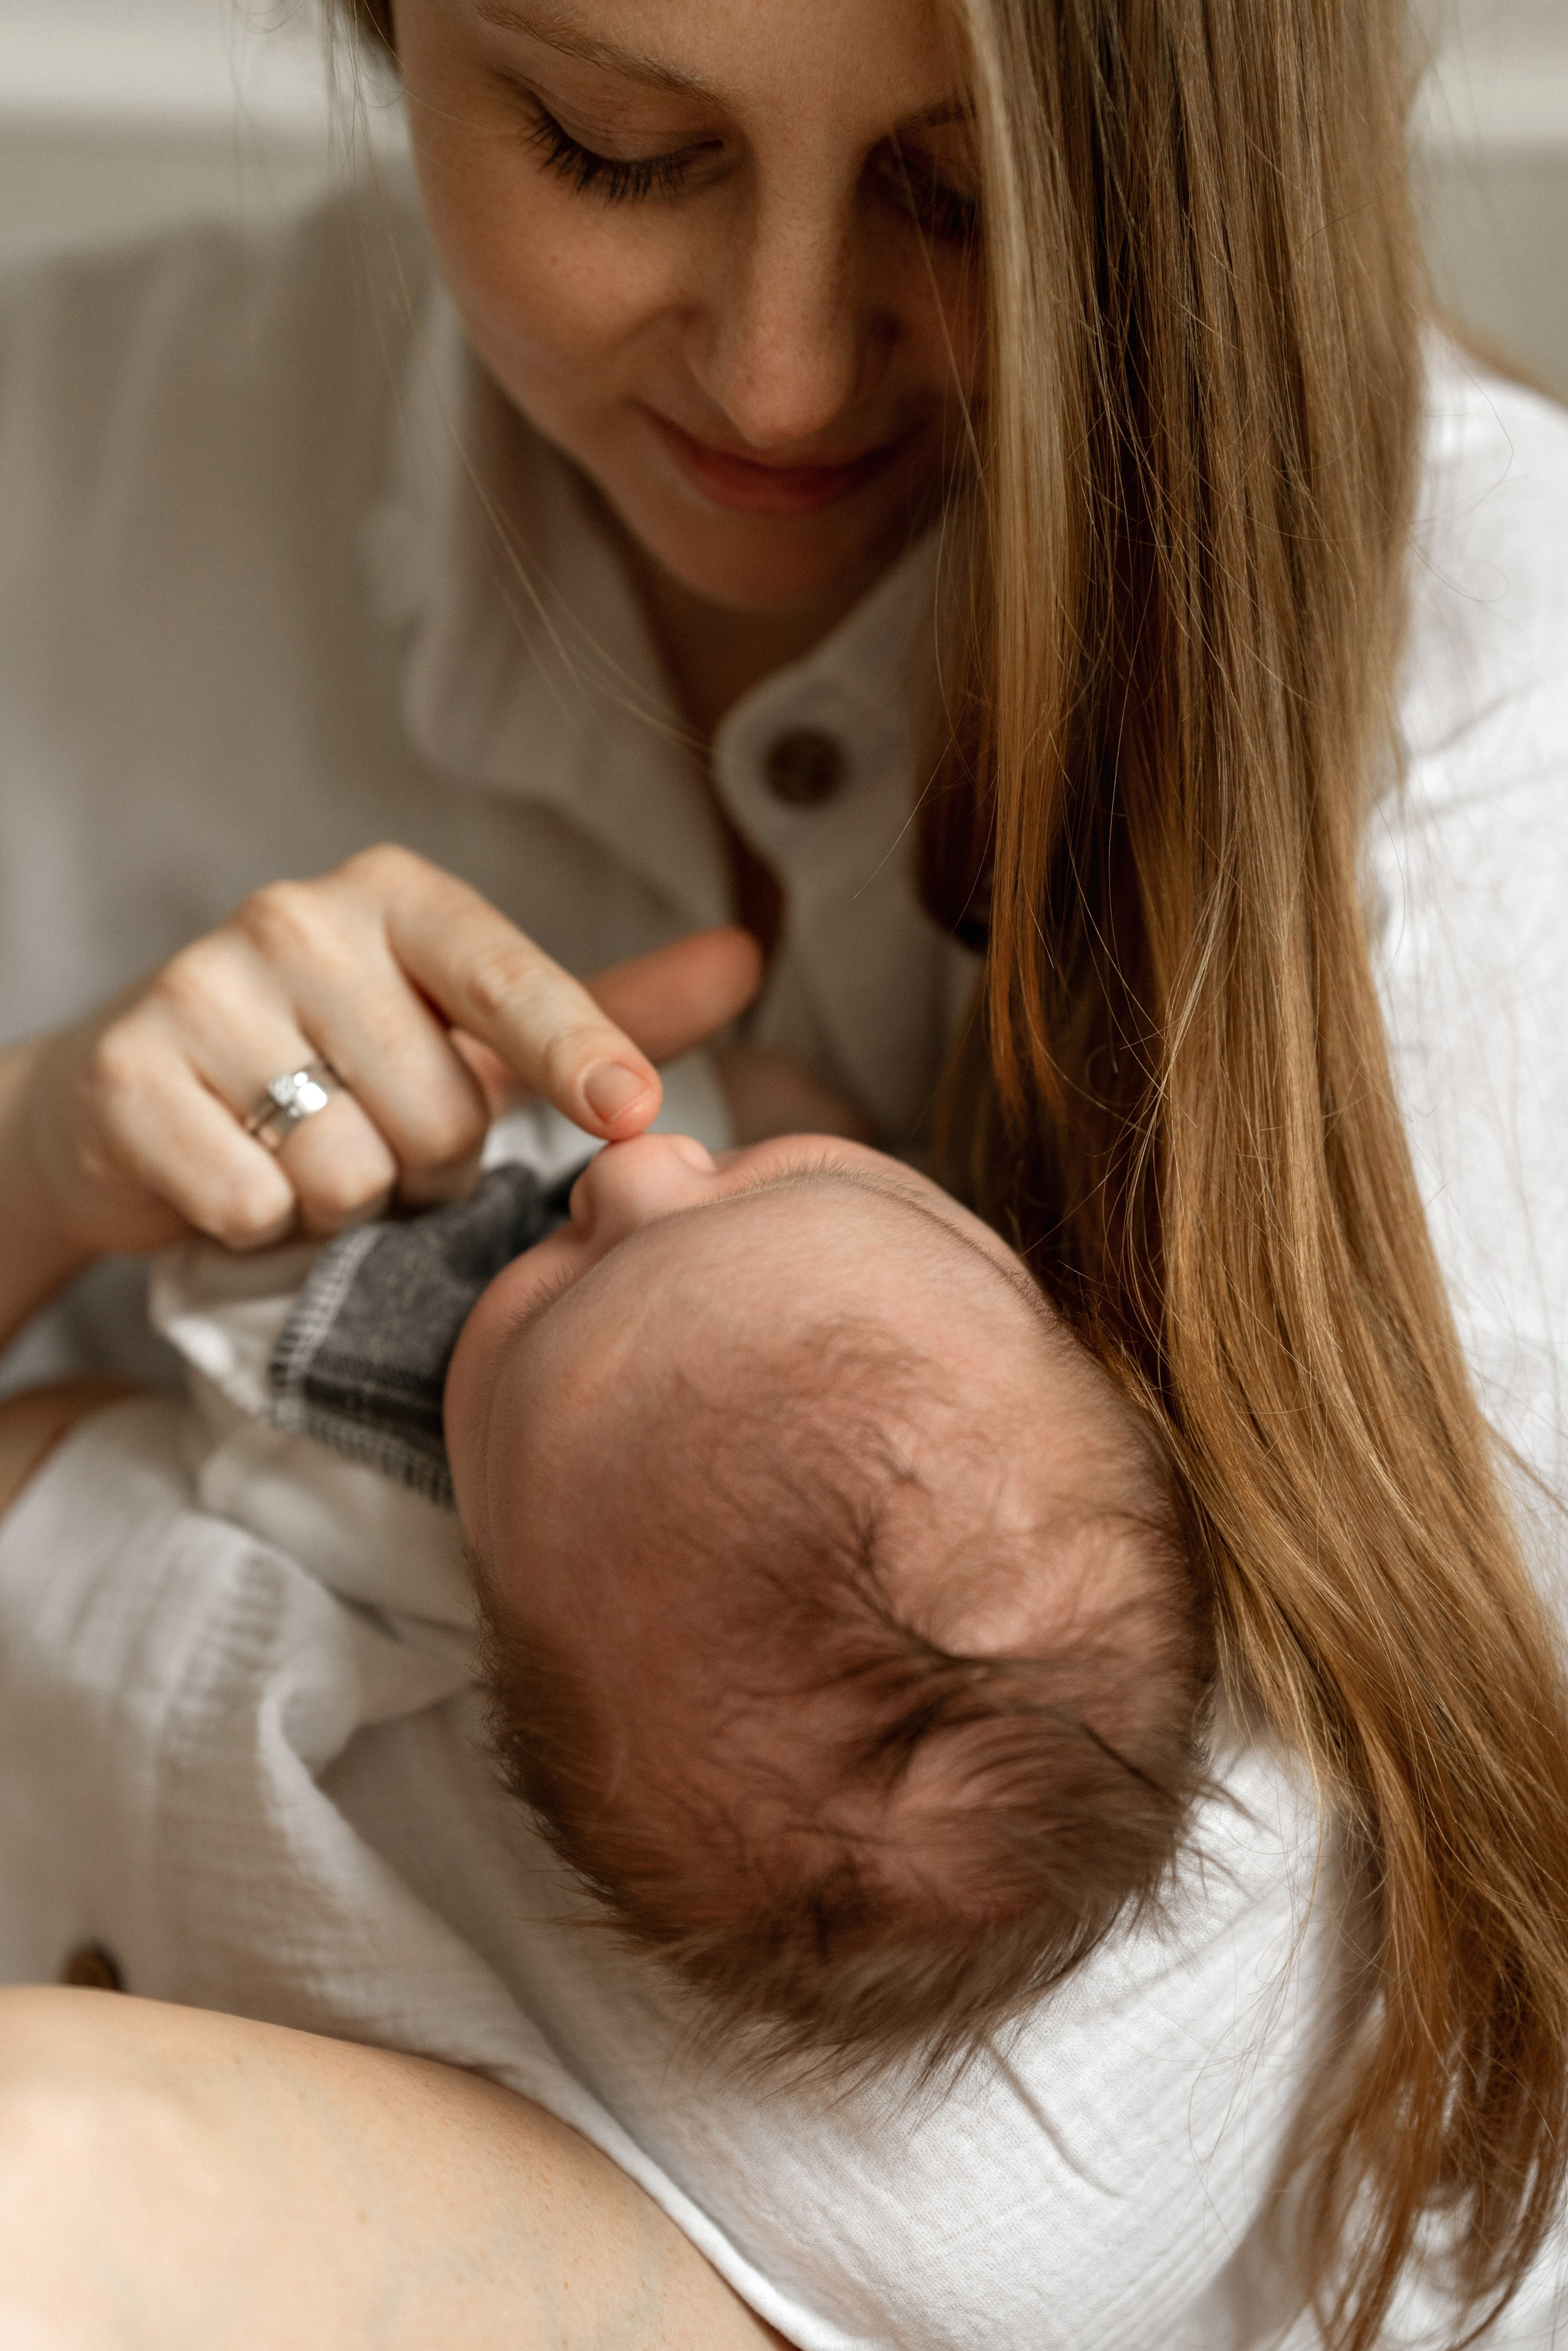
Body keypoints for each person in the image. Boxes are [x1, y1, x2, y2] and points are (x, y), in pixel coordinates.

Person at [0, 0, 1566, 2342]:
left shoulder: (1501, 727)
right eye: (616, 149)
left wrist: (140, 2131)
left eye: (958, 189)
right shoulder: (65, 468)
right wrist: (33, 1154)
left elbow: (1104, 2164)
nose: (782, 374)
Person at [140, 1119, 1201, 2064]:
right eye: (773, 1188)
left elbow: (214, 1289)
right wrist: (740, 1082)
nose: (638, 1165)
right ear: (1018, 1276)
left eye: (551, 1299)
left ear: (491, 1612)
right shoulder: (936, 1270)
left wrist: (313, 1171)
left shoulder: (345, 1454)